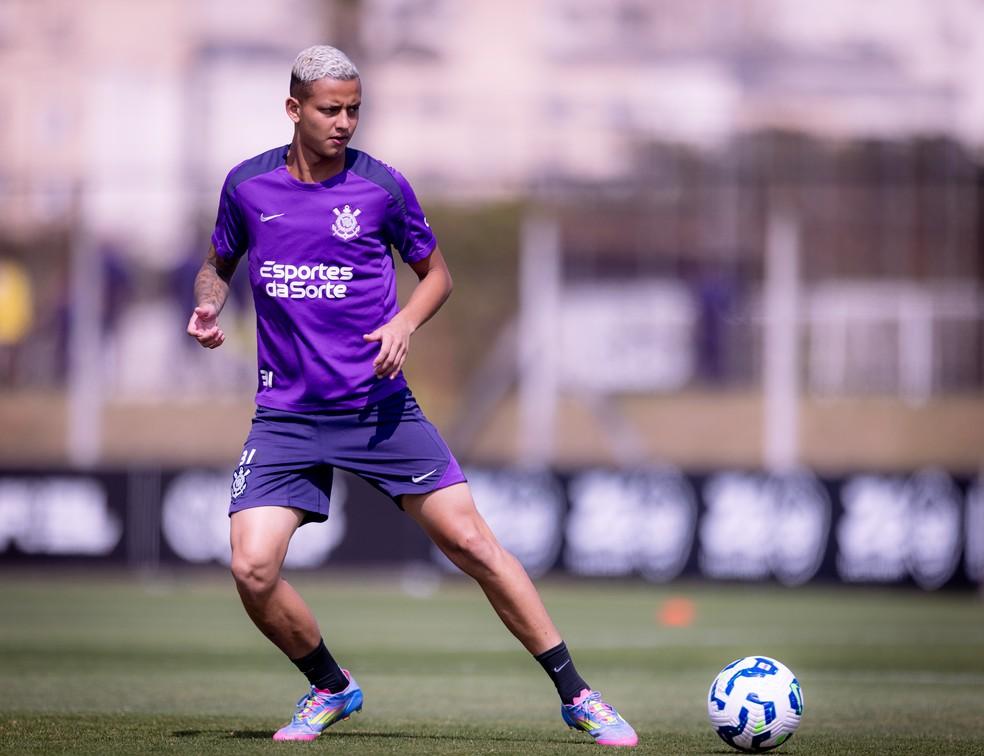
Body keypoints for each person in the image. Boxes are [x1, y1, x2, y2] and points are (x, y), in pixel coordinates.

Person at [186, 45, 637, 748]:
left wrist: (403, 321)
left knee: (473, 544)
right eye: (331, 109)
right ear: (294, 109)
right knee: (251, 566)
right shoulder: (246, 187)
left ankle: (578, 695)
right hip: (287, 417)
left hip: (378, 410)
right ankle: (331, 687)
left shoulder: (383, 188)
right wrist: (208, 307)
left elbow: (438, 276)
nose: (345, 122)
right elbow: (218, 261)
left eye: (354, 109)